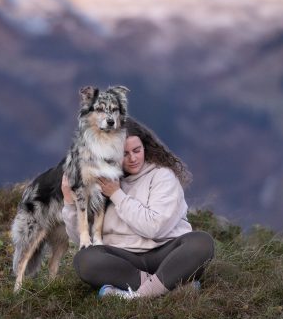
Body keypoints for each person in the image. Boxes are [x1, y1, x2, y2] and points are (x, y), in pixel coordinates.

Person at [61, 118, 215, 299]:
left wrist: (116, 194)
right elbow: (80, 238)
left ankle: (135, 297)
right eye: (124, 154)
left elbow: (153, 228)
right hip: (124, 259)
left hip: (166, 254)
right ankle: (167, 287)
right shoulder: (98, 182)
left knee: (201, 242)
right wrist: (69, 201)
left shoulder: (163, 176)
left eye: (137, 150)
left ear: (145, 147)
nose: (133, 158)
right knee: (85, 260)